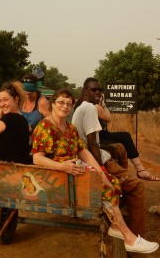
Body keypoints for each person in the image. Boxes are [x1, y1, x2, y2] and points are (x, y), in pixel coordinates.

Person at [31, 88, 159, 254]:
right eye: (61, 102)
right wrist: (62, 166)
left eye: (68, 103)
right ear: (53, 104)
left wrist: (101, 173)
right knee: (103, 188)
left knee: (111, 182)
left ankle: (115, 225)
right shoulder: (44, 127)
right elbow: (37, 158)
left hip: (75, 169)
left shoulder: (70, 128)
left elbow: (84, 152)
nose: (64, 106)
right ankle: (129, 238)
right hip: (59, 173)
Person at [72, 78, 149, 237]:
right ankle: (135, 236)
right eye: (94, 90)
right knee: (137, 186)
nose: (98, 92)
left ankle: (122, 196)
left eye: (100, 90)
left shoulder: (81, 107)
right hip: (95, 159)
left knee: (120, 149)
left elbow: (92, 141)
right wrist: (102, 171)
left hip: (89, 156)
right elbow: (93, 143)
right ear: (85, 91)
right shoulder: (89, 108)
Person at [96, 96, 160, 181]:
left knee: (124, 138)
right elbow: (108, 118)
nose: (97, 94)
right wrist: (103, 105)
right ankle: (138, 170)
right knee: (124, 138)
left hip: (101, 134)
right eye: (94, 91)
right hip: (98, 136)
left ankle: (138, 170)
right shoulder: (95, 107)